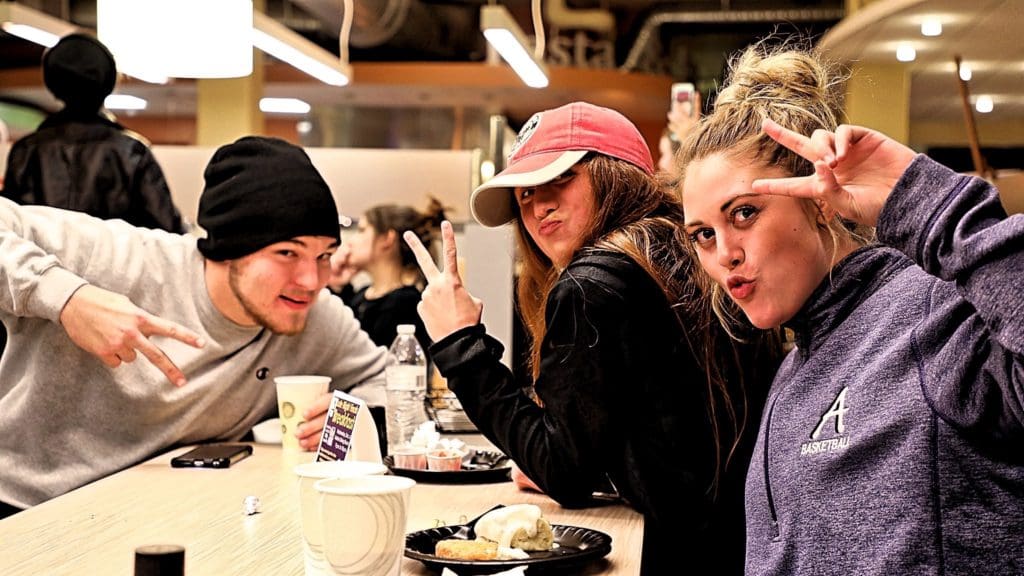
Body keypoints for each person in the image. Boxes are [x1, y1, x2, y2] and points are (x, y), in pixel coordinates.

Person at [676, 43, 1024, 575]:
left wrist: (930, 205)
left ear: (818, 200)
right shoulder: (796, 364)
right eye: (703, 234)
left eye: (744, 213)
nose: (724, 255)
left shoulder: (929, 314)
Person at [405, 102, 779, 574]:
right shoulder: (678, 248)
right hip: (746, 543)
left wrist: (460, 346)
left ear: (614, 175)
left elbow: (565, 473)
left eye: (559, 179)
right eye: (524, 194)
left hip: (677, 556)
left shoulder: (593, 284)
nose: (538, 205)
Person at [0, 136, 387, 519]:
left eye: (324, 255)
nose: (311, 280)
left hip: (159, 516)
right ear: (229, 248)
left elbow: (386, 380)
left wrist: (348, 420)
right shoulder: (120, 257)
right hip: (23, 507)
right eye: (287, 252)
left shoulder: (314, 317)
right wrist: (68, 298)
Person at [1, 33, 186, 233]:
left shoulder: (26, 152)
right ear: (109, 83)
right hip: (115, 264)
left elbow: (10, 227)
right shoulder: (132, 152)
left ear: (53, 85)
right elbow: (166, 233)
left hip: (40, 264)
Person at [327, 199, 447, 354]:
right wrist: (336, 285)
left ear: (386, 239)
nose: (351, 242)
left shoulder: (407, 305)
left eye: (362, 230)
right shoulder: (360, 296)